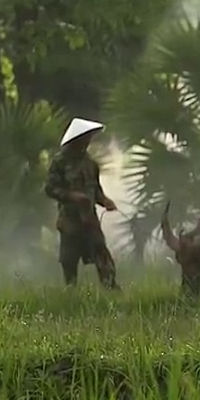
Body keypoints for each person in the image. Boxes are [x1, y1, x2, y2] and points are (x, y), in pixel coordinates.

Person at [44, 117, 119, 290]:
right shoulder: (60, 162)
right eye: (86, 137)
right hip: (70, 220)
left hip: (89, 219)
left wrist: (105, 201)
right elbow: (50, 188)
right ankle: (71, 293)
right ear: (77, 139)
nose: (89, 141)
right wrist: (72, 196)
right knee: (69, 261)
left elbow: (96, 190)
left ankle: (111, 289)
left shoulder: (90, 163)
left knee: (102, 256)